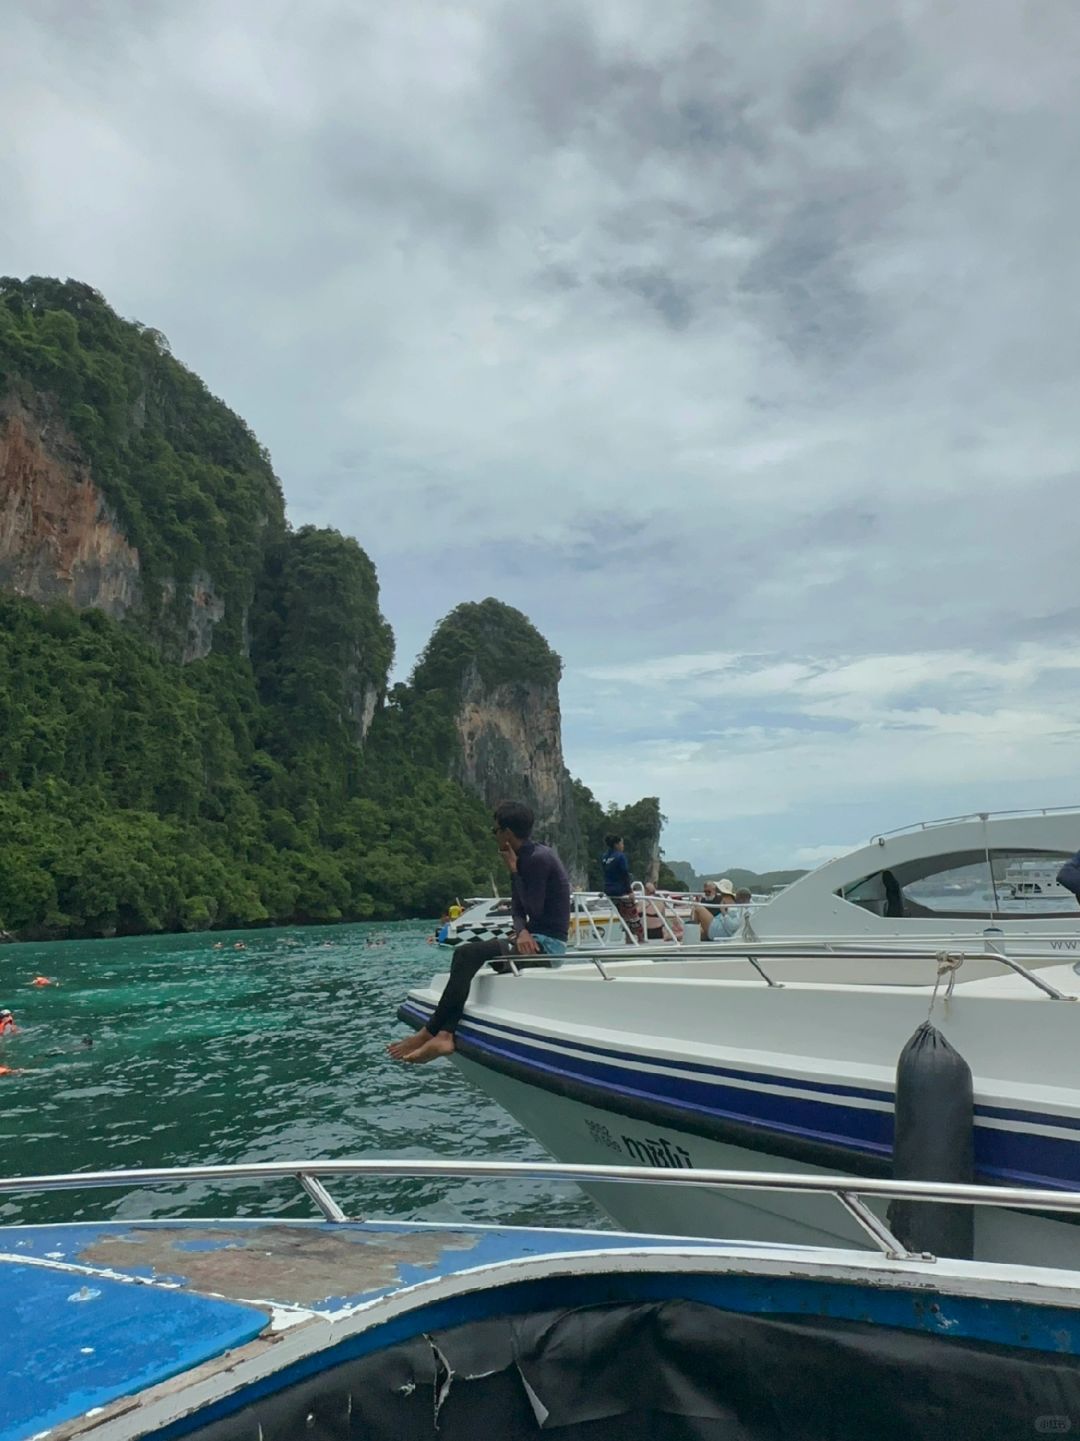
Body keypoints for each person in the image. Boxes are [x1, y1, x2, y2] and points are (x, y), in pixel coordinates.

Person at [389, 801, 570, 1064]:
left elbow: (536, 909)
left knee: (465, 954)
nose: (493, 835)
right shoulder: (526, 857)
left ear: (507, 832)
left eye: (494, 830)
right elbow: (518, 910)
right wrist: (521, 931)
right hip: (532, 940)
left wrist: (514, 871)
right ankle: (442, 1034)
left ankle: (434, 1033)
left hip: (548, 946)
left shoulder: (537, 859)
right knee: (469, 960)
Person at [601, 834, 644, 942]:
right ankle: (640, 937)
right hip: (620, 889)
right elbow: (624, 873)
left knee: (623, 915)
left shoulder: (605, 857)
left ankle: (628, 937)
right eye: (621, 843)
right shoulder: (620, 856)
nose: (622, 846)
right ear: (616, 845)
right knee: (632, 914)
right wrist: (630, 891)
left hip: (608, 889)